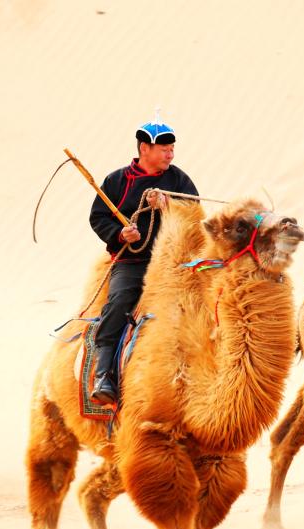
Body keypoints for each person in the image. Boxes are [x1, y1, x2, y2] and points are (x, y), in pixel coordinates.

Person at [88, 112, 198, 404]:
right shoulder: (116, 181)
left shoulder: (178, 180)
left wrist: (168, 205)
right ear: (144, 148)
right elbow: (98, 217)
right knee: (119, 301)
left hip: (173, 263)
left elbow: (195, 213)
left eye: (172, 149)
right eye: (164, 149)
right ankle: (103, 374)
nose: (170, 155)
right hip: (133, 262)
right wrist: (120, 234)